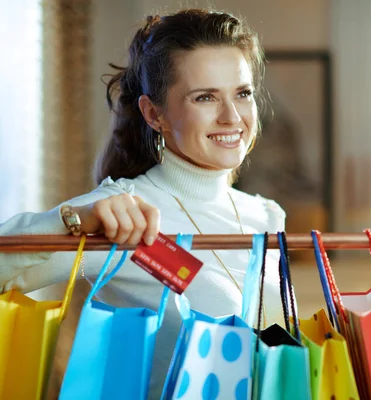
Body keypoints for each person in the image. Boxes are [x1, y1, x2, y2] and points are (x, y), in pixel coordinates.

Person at [0, 8, 286, 398]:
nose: (232, 116)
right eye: (205, 97)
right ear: (155, 114)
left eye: (242, 93)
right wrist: (73, 220)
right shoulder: (121, 210)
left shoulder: (266, 214)